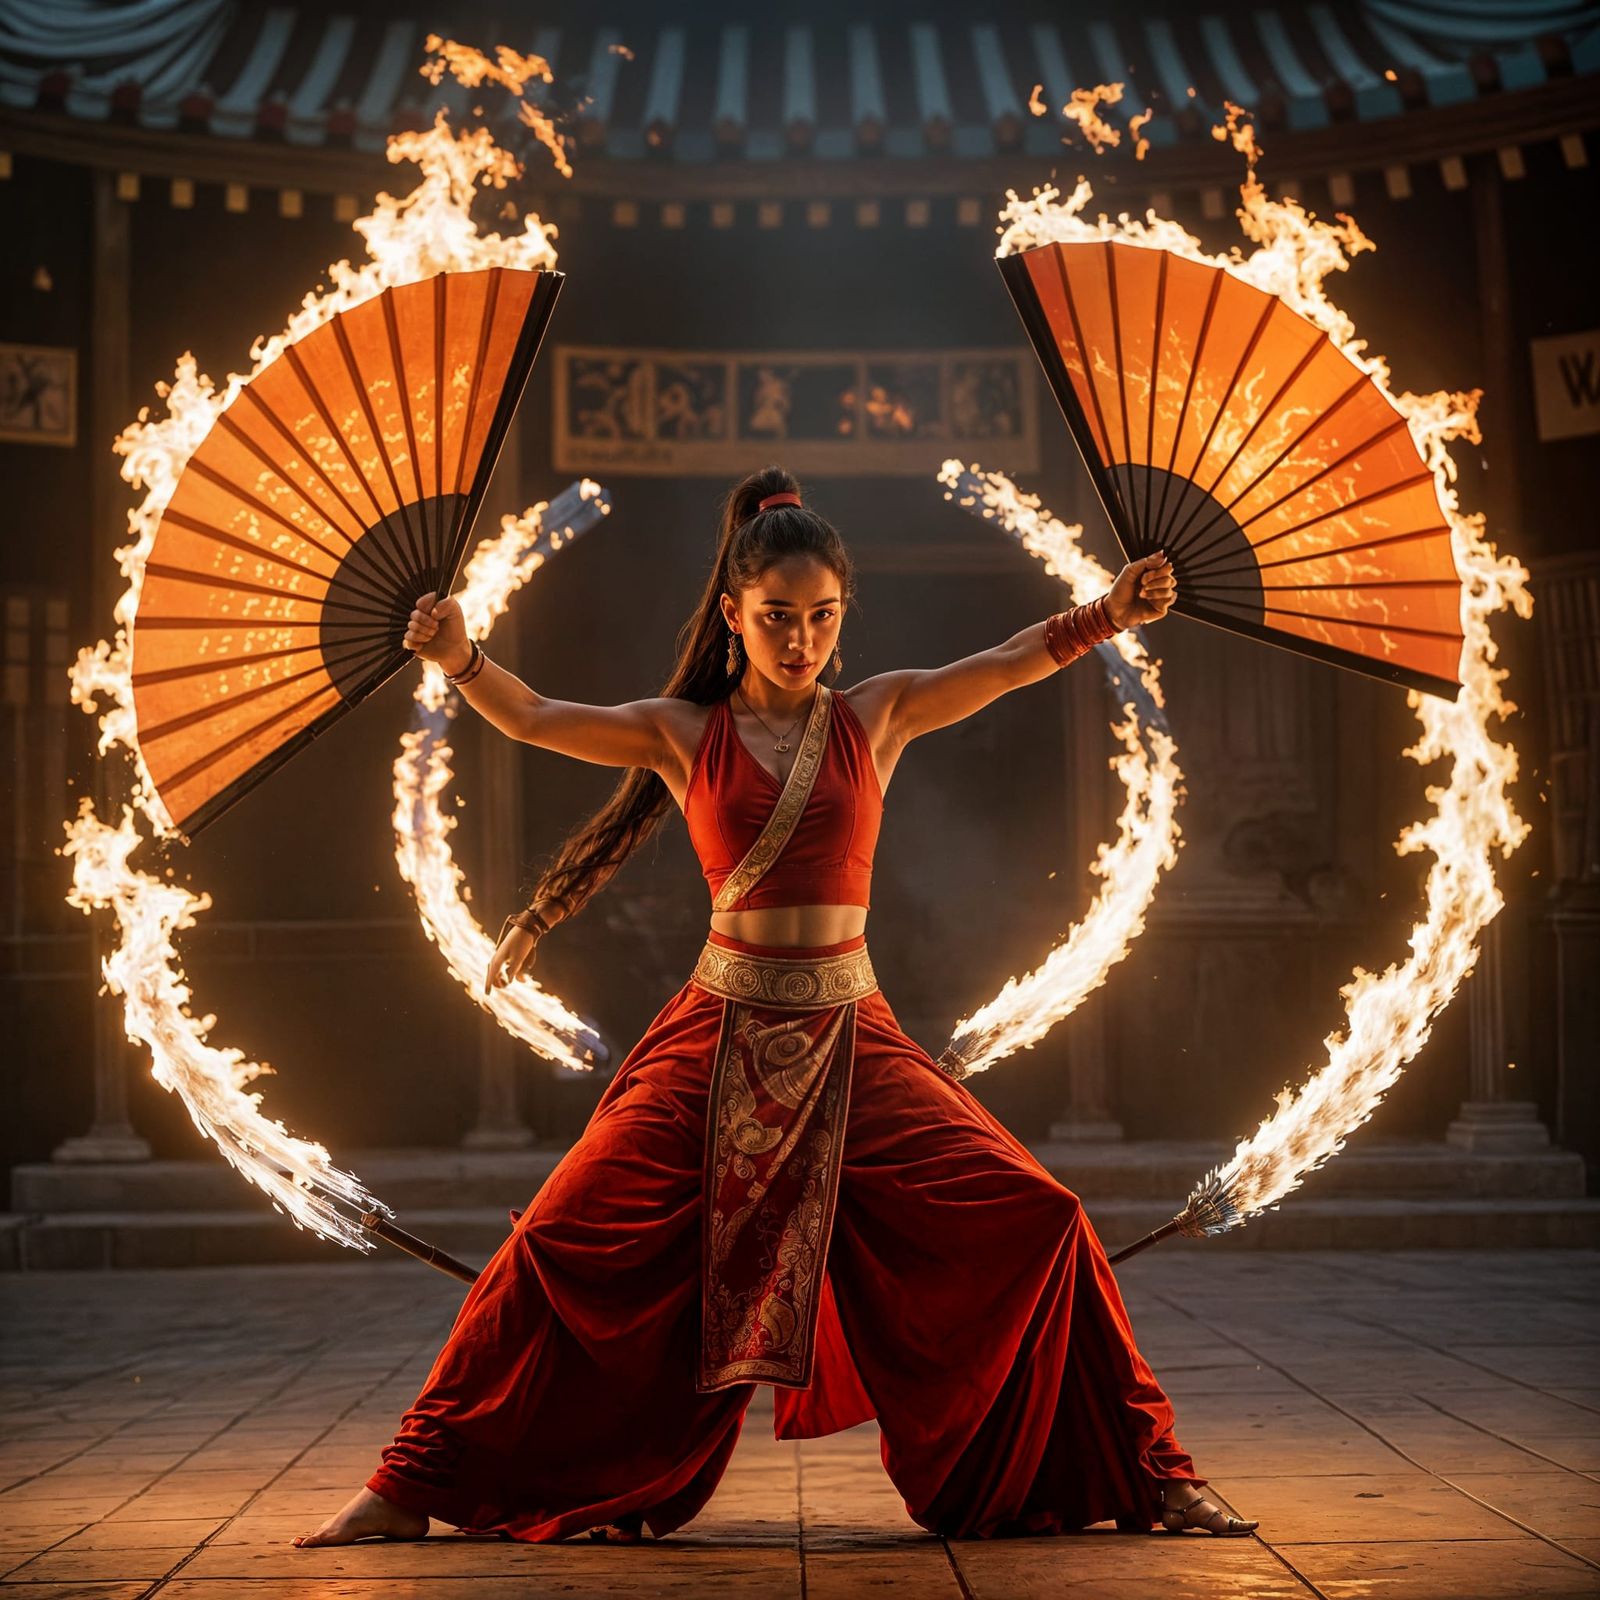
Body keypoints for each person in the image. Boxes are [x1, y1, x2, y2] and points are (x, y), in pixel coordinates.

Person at [295, 465, 1256, 1548]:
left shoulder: (877, 715)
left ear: (842, 618)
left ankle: (1152, 1471)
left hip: (855, 1033)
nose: (800, 641)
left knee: (1043, 1217)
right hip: (712, 1034)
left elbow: (1002, 664)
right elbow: (532, 715)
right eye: (776, 619)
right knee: (554, 1241)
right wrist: (455, 655)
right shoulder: (680, 730)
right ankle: (407, 1485)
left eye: (820, 619)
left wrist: (1107, 614)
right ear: (733, 615)